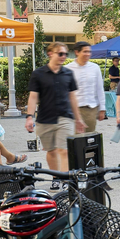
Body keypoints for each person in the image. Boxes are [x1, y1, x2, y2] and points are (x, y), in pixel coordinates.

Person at [26, 42, 86, 189]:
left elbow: (72, 97)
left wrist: (78, 119)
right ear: (50, 53)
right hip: (45, 118)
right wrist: (29, 116)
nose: (64, 56)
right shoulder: (38, 74)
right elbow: (33, 96)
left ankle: (66, 179)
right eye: (60, 53)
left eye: (66, 54)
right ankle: (56, 177)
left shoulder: (68, 73)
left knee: (64, 150)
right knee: (51, 151)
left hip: (65, 116)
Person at [65, 41, 106, 133]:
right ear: (77, 52)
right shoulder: (67, 69)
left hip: (91, 109)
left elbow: (99, 89)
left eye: (89, 52)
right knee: (74, 139)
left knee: (89, 138)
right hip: (74, 109)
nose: (88, 54)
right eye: (85, 51)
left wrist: (102, 108)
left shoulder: (95, 68)